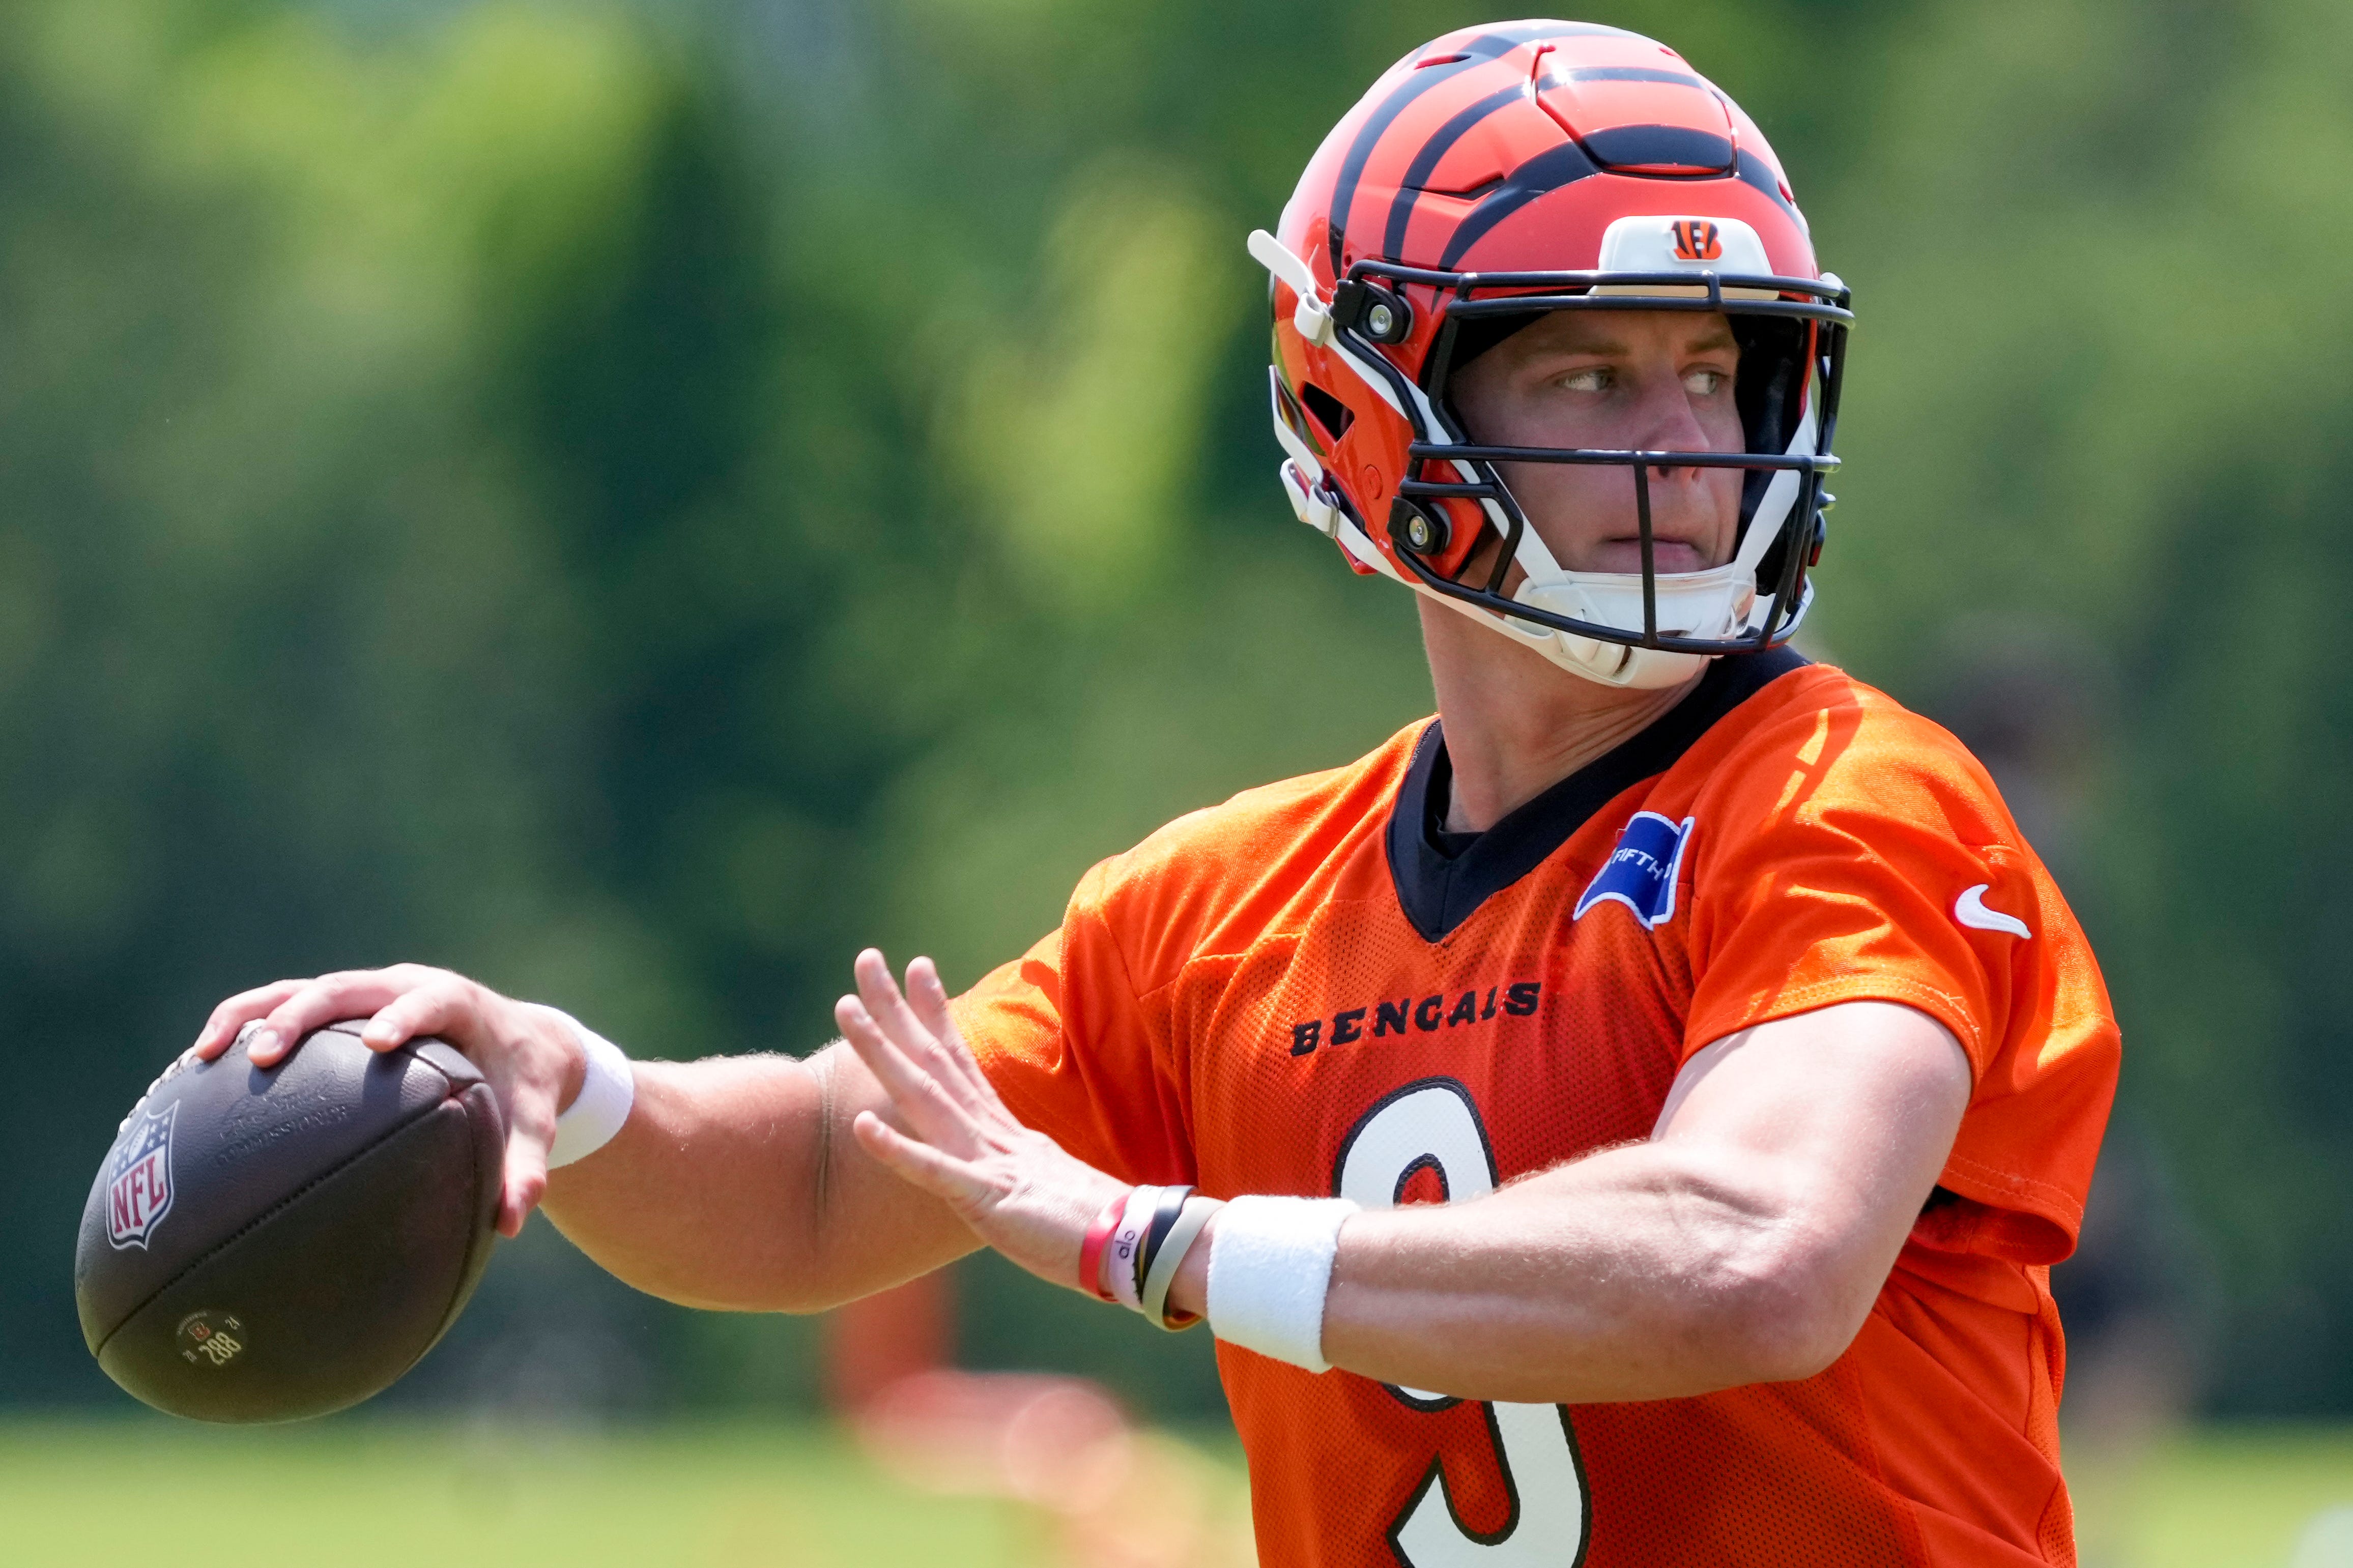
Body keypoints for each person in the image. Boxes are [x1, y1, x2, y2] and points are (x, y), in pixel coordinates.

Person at [191, 21, 2118, 1567]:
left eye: (1719, 370)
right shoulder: (1225, 905)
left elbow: (1754, 1254)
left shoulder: (1855, 795)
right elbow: (813, 1185)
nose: (1688, 449)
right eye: (1596, 381)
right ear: (1371, 406)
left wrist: (1154, 1238)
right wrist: (567, 1081)